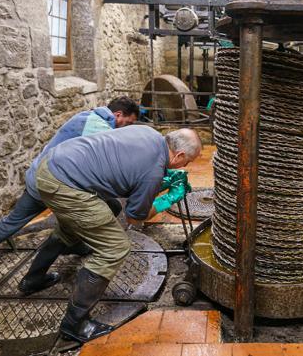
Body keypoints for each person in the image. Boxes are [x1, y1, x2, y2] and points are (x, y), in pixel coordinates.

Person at [18, 126, 201, 342]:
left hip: (54, 165)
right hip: (65, 183)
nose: (185, 166)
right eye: (187, 161)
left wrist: (157, 183)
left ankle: (33, 279)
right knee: (114, 248)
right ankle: (74, 325)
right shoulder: (153, 171)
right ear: (179, 155)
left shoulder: (149, 133)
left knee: (102, 211)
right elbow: (135, 217)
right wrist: (167, 199)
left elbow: (128, 174)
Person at [0, 97, 140, 274]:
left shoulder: (87, 116)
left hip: (41, 177)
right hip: (56, 184)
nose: (124, 128)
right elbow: (102, 165)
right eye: (127, 123)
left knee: (11, 222)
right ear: (118, 114)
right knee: (107, 207)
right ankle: (52, 259)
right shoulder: (99, 128)